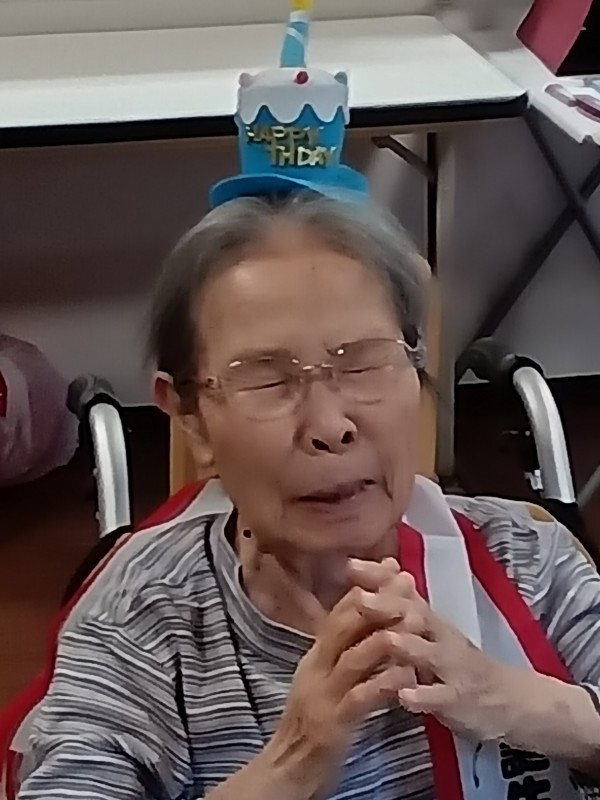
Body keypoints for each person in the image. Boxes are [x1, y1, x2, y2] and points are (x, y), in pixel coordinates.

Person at [2, 2, 600, 799]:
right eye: (268, 379)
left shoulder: (528, 562)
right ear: (188, 415)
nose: (329, 425)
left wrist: (519, 702)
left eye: (364, 363)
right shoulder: (142, 619)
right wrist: (294, 761)